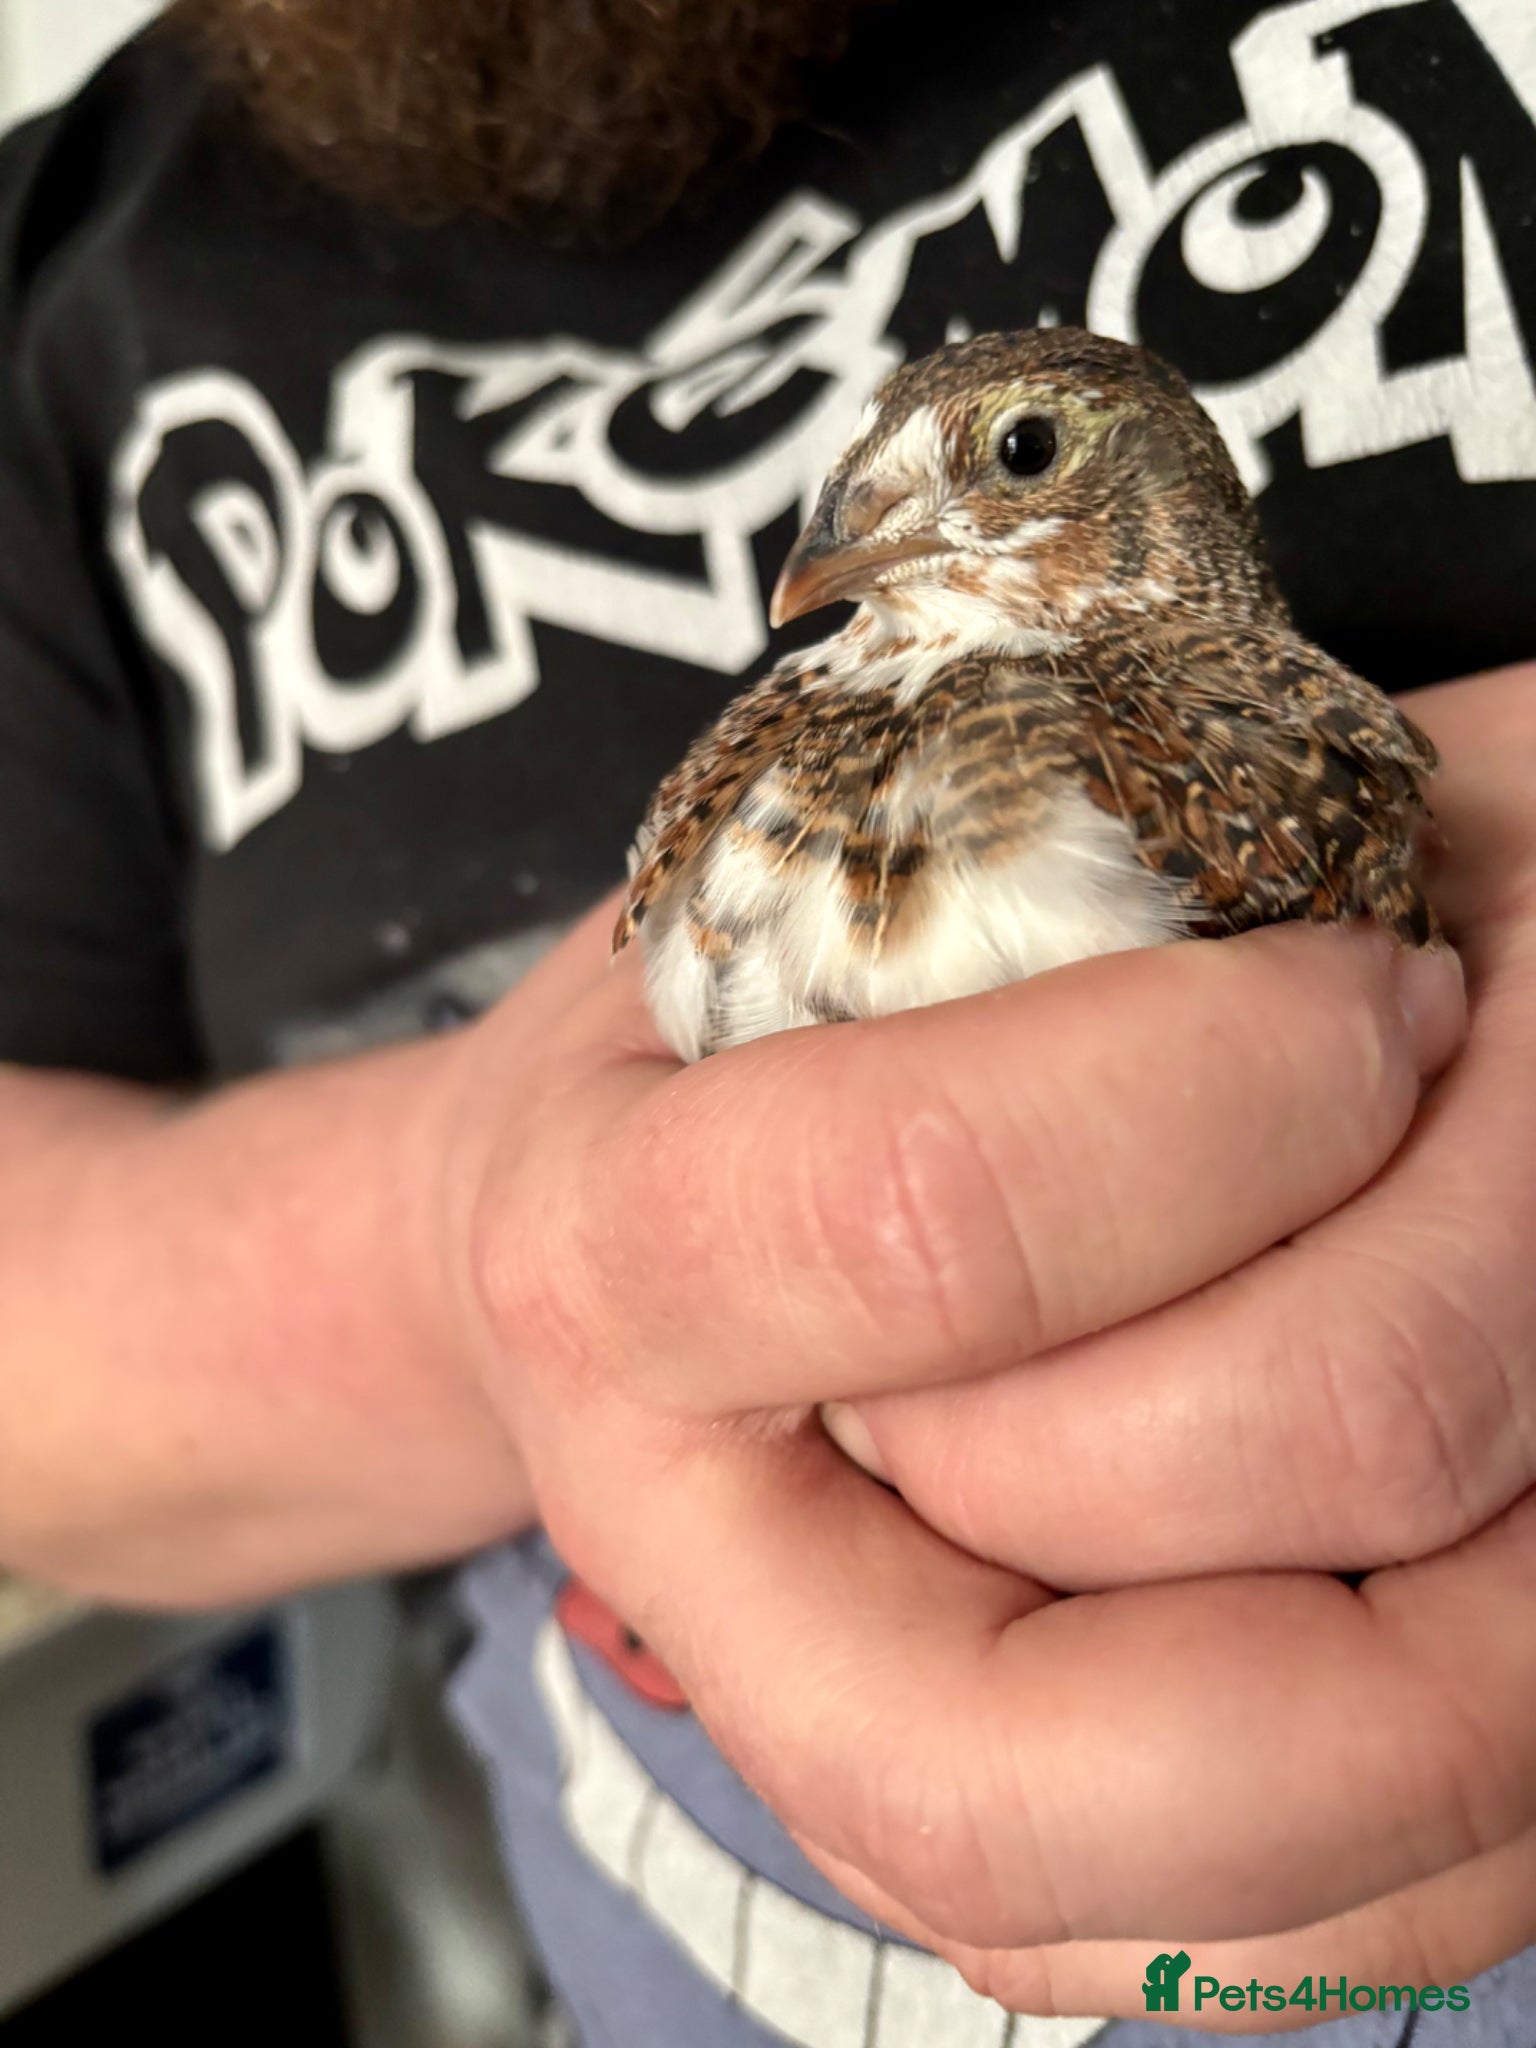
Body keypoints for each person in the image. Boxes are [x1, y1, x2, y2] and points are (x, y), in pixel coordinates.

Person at [0, 1, 1533, 2043]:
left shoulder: (1217, 744)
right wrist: (508, 1244)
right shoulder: (61, 284)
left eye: (1012, 459)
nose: (867, 533)